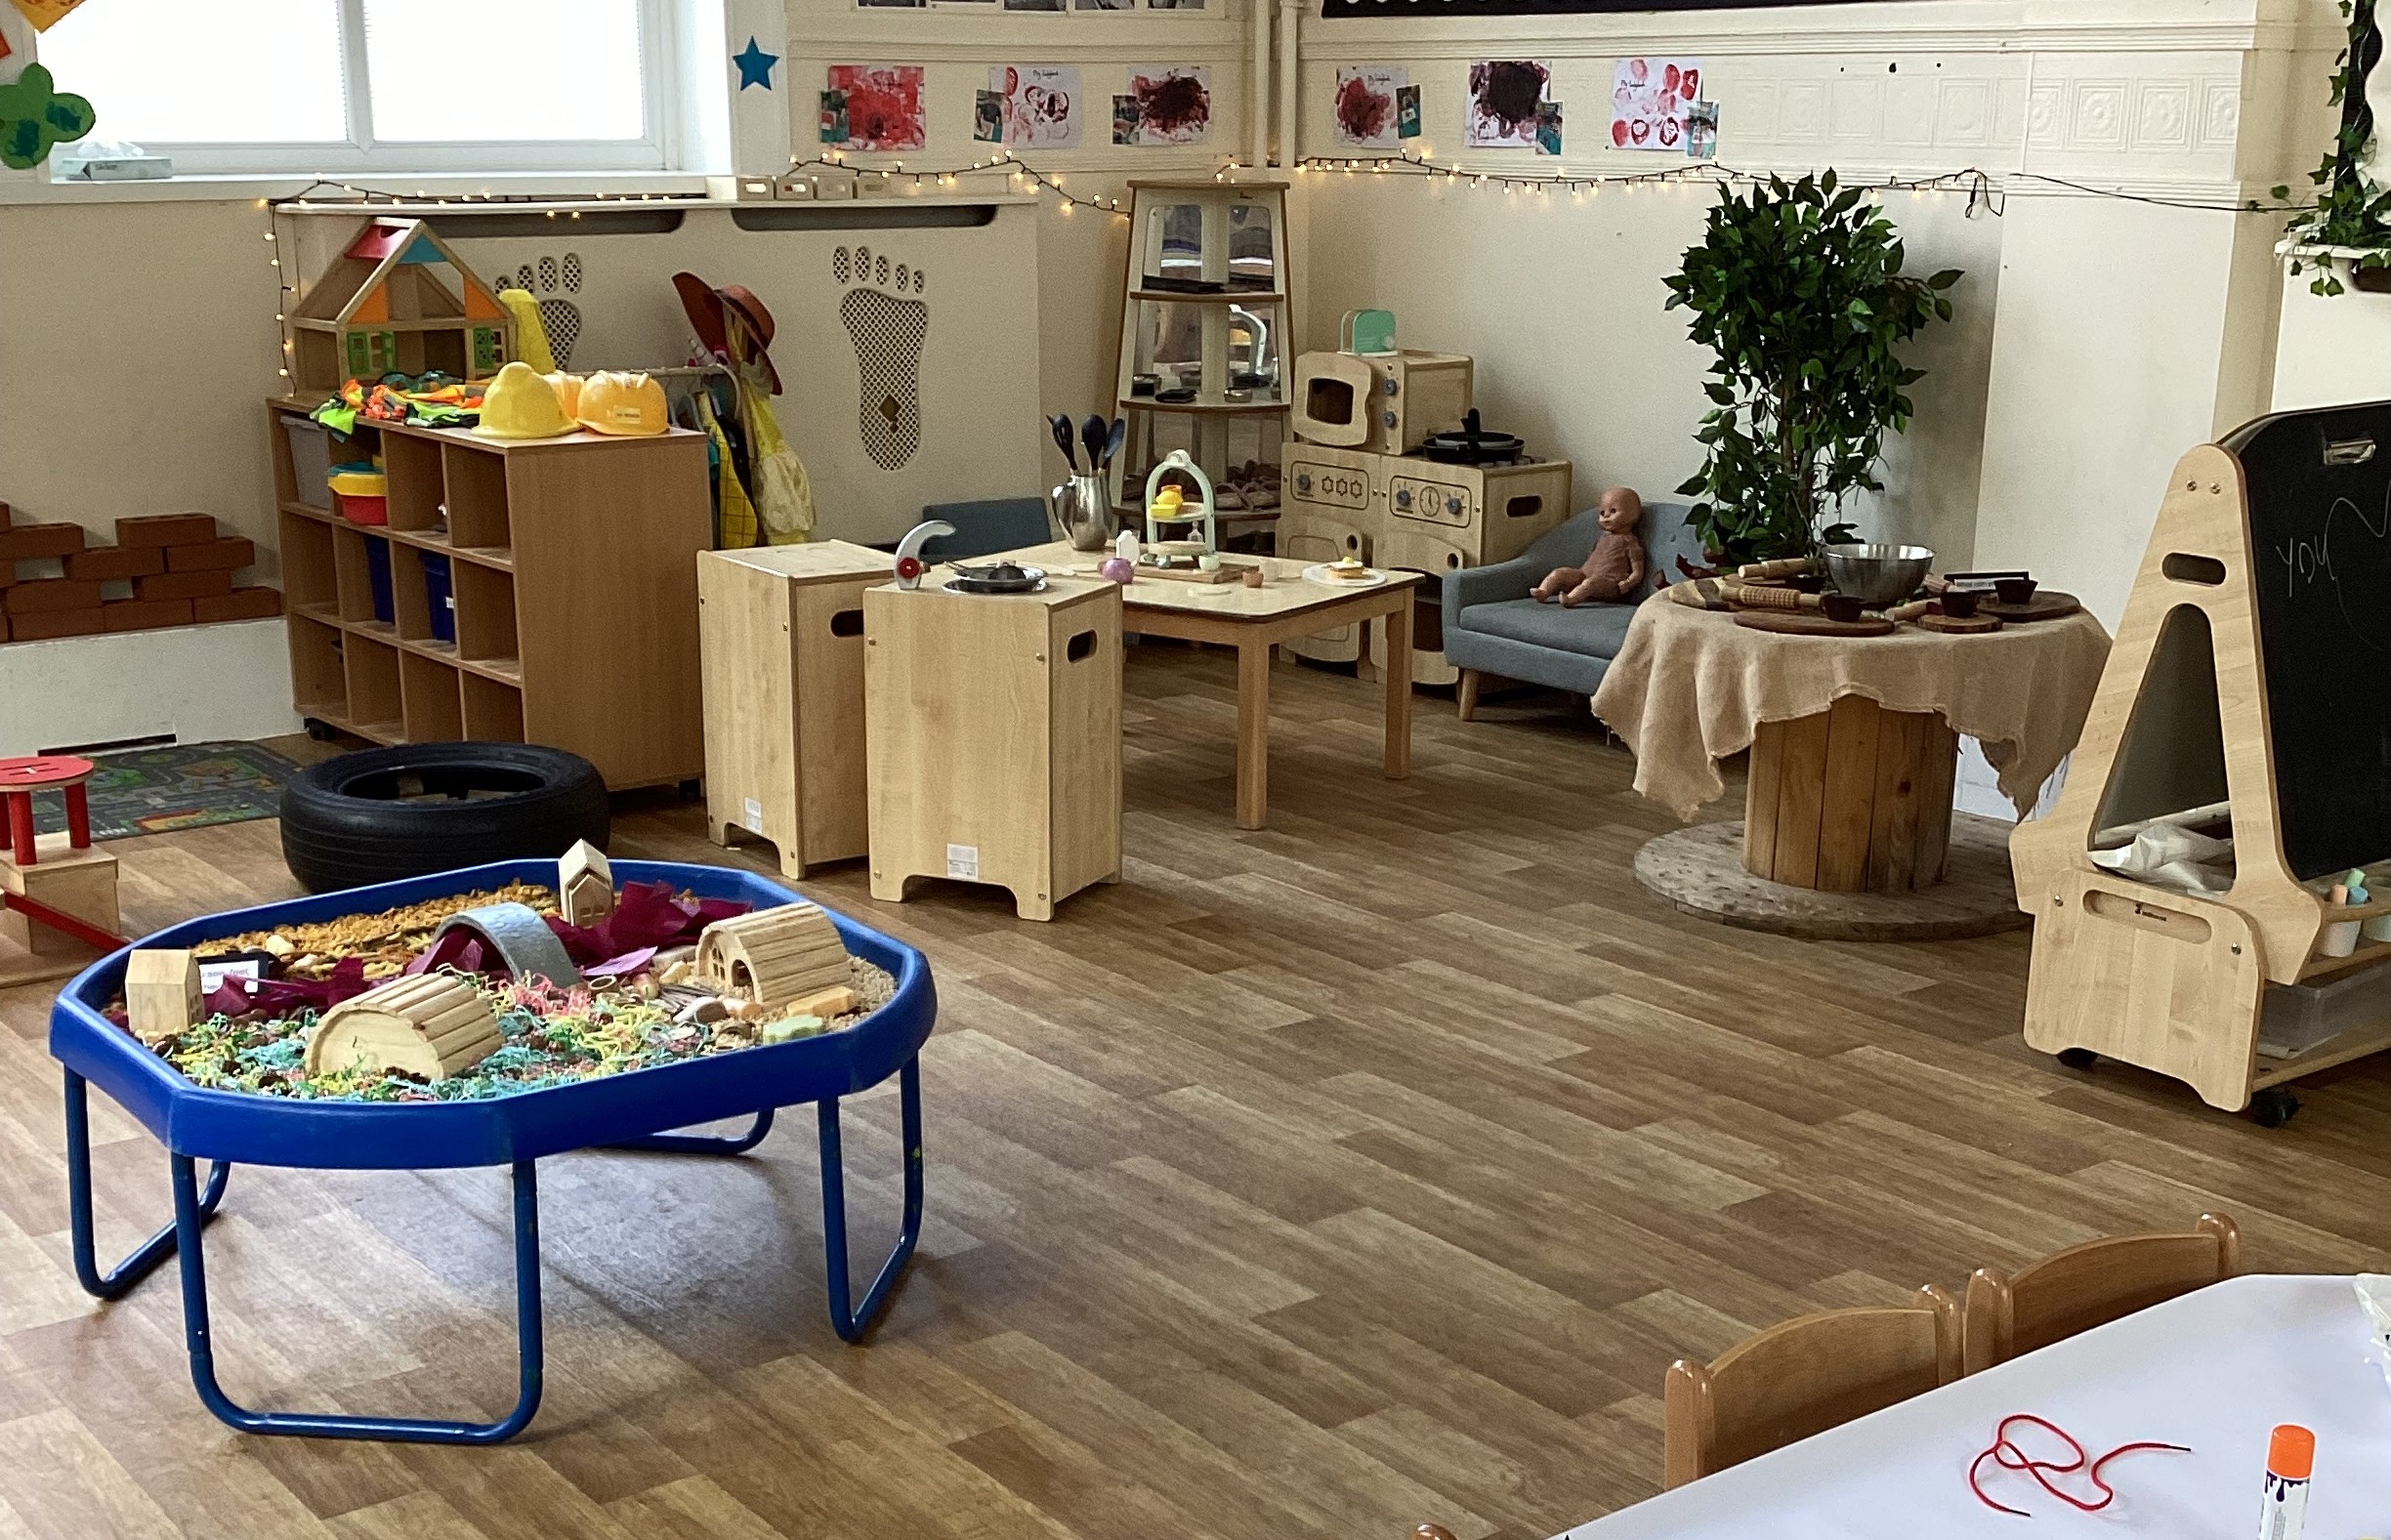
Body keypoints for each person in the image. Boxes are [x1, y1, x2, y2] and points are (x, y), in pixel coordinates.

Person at [1531, 486, 1648, 606]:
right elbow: (1593, 558)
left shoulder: (1630, 542)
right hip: (1584, 574)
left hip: (1610, 584)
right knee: (1558, 573)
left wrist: (1628, 583)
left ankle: (1570, 599)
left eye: (1613, 511)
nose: (1606, 516)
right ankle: (1543, 591)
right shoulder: (1603, 538)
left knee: (1589, 584)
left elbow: (1638, 572)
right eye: (1602, 512)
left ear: (1632, 514)